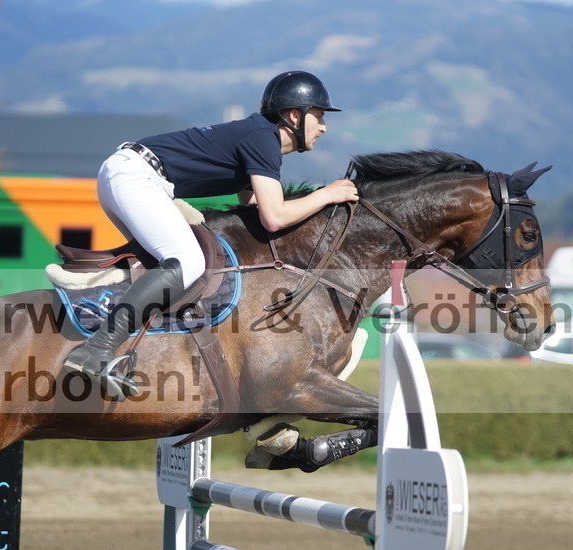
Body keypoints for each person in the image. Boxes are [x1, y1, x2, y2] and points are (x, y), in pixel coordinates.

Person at [64, 70, 359, 399]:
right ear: (294, 115)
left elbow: (255, 212)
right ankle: (96, 349)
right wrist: (328, 195)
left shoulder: (258, 138)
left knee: (166, 270)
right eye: (318, 116)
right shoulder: (264, 139)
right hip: (136, 177)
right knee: (187, 262)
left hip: (134, 176)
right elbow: (275, 217)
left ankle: (123, 353)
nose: (323, 126)